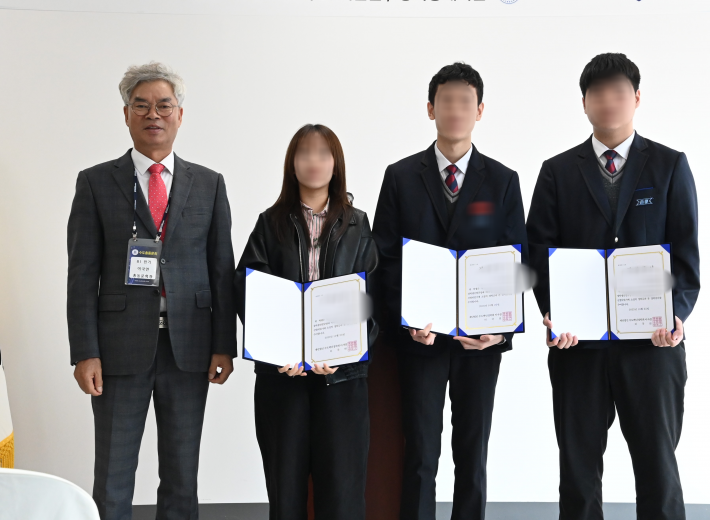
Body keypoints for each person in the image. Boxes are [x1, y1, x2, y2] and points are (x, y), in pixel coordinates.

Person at [526, 52, 700, 520]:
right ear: (584, 102)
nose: (608, 101)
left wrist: (677, 315)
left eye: (619, 92)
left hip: (652, 344)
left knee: (658, 470)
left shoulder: (668, 165)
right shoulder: (557, 171)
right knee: (578, 473)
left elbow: (686, 257)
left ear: (637, 98)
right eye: (597, 93)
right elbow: (538, 253)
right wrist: (552, 312)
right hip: (577, 346)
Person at [67, 62, 237, 520]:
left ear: (180, 114)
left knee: (182, 474)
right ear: (126, 114)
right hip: (118, 348)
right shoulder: (95, 182)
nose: (153, 114)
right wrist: (85, 351)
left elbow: (221, 270)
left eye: (164, 105)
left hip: (190, 347)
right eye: (141, 106)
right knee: (113, 474)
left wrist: (224, 344)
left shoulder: (209, 184)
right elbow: (81, 274)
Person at [371, 62, 528, 520]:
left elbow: (514, 260)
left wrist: (502, 330)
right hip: (420, 341)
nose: (455, 110)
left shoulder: (503, 180)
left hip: (481, 343)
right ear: (430, 109)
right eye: (446, 101)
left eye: (465, 102)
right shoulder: (400, 176)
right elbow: (384, 259)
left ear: (479, 111)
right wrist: (406, 322)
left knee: (472, 456)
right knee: (420, 454)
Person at [234, 124, 378, 520]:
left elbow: (373, 299)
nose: (314, 161)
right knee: (286, 494)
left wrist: (345, 354)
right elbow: (247, 289)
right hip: (283, 380)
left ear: (336, 164)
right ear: (292, 164)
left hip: (342, 381)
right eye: (304, 153)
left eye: (323, 153)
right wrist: (274, 350)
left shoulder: (358, 224)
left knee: (343, 496)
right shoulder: (270, 222)